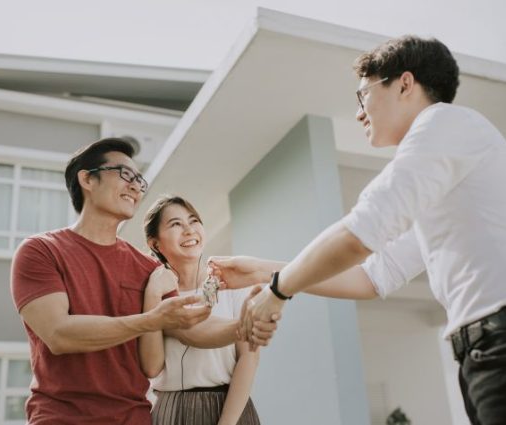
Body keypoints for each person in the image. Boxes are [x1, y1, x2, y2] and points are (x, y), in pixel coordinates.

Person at [210, 35, 506, 425]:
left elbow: (360, 234)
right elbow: (372, 276)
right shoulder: (444, 171)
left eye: (362, 95)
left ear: (404, 83)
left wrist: (279, 291)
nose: (359, 114)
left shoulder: (444, 123)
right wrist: (262, 271)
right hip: (482, 351)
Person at [10, 138, 212, 424]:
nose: (135, 186)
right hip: (61, 418)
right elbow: (59, 335)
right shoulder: (41, 251)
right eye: (124, 174)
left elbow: (154, 364)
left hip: (134, 419)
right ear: (88, 180)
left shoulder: (147, 268)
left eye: (139, 180)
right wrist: (151, 320)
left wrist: (265, 302)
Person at [140, 195, 262, 425]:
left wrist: (226, 423)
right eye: (176, 224)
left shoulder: (230, 283)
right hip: (171, 409)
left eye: (193, 220)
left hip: (230, 407)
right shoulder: (152, 292)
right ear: (155, 244)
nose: (188, 230)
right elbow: (152, 367)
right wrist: (152, 296)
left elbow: (249, 357)